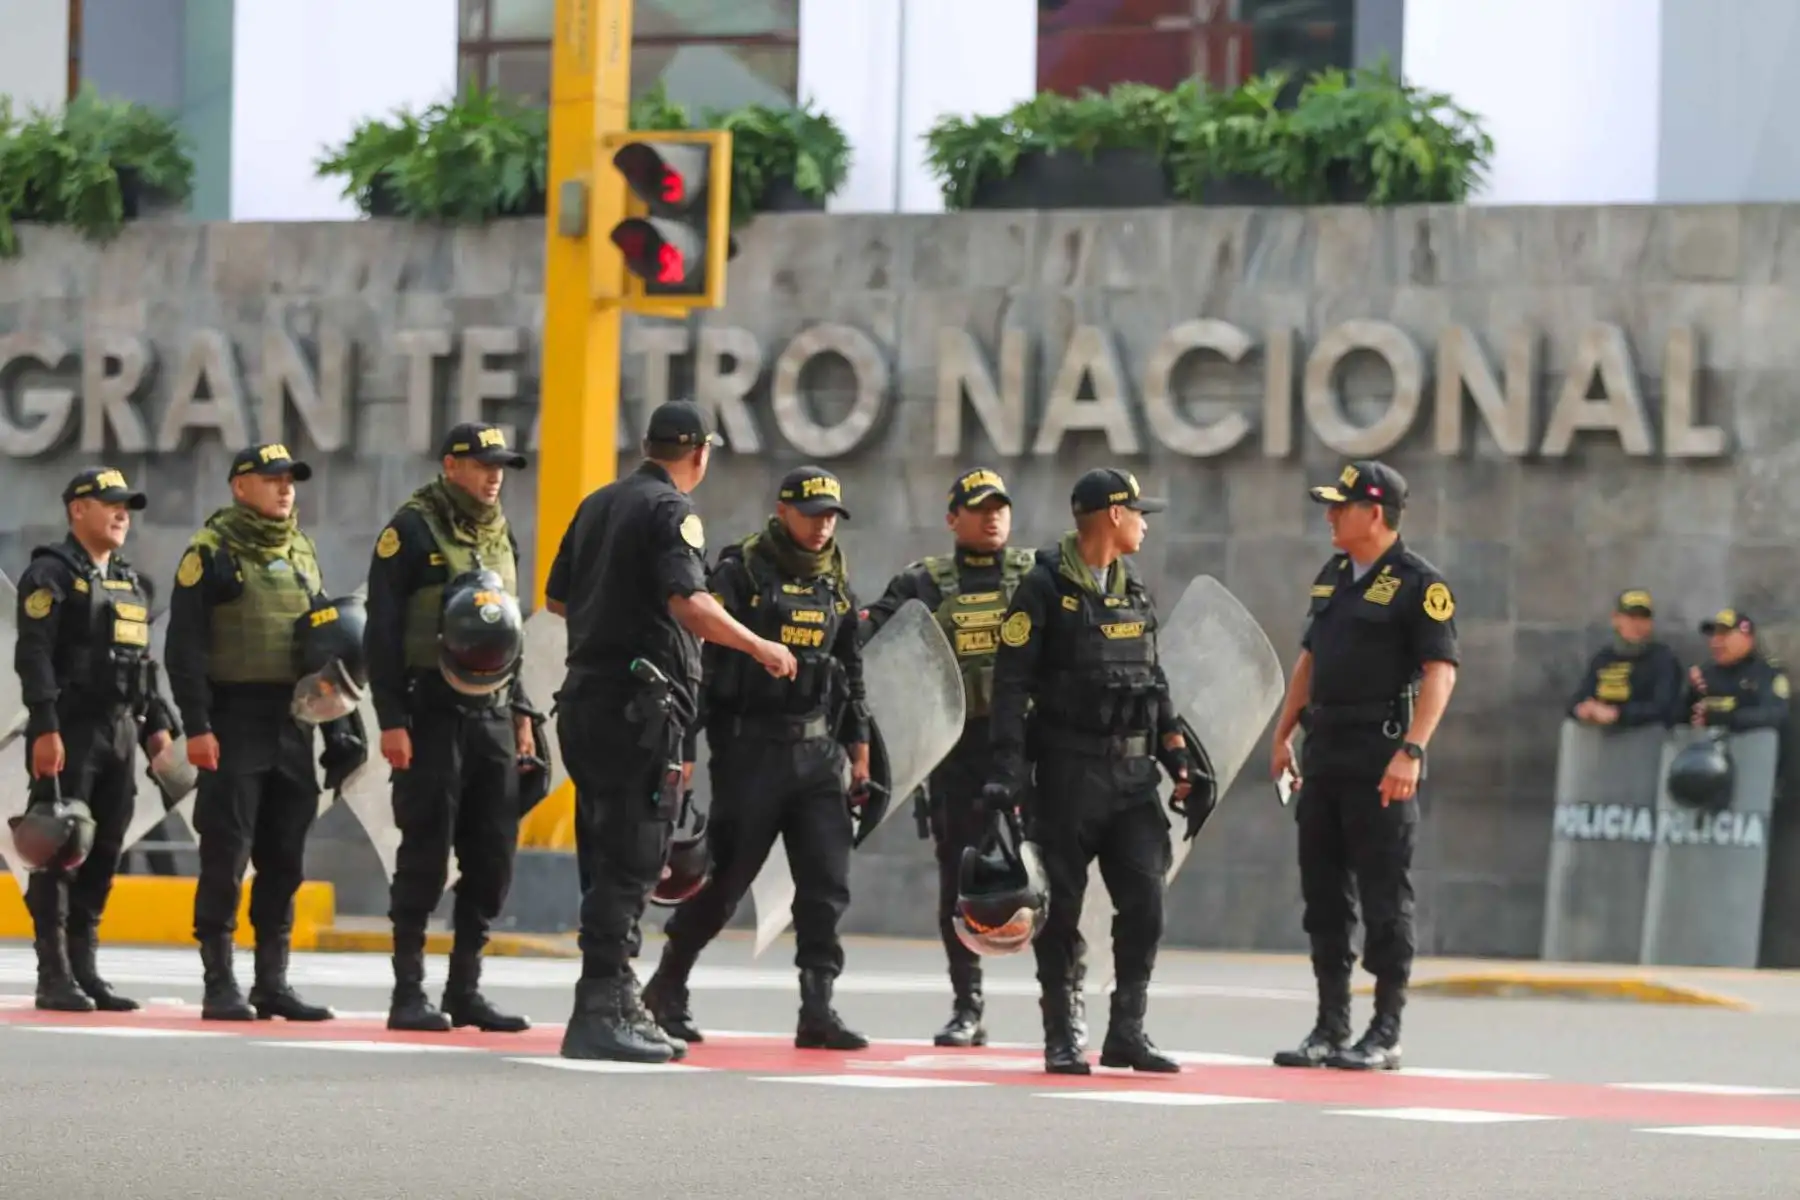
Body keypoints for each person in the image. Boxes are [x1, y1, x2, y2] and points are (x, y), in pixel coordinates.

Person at [546, 400, 797, 1064]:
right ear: (700, 453)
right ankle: (600, 1007)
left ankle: (618, 996)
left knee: (605, 853)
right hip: (637, 709)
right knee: (631, 857)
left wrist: (614, 620)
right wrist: (759, 647)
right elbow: (689, 602)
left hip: (584, 699)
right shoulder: (671, 512)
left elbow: (557, 598)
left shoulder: (599, 503)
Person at [641, 465, 873, 1054]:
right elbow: (703, 663)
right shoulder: (740, 571)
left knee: (826, 884)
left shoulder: (837, 580)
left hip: (819, 755)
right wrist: (685, 748)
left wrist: (860, 753)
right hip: (751, 752)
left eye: (830, 517)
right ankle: (667, 985)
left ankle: (817, 1009)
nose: (822, 527)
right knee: (723, 883)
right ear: (782, 511)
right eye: (812, 513)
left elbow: (852, 672)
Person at [984, 467, 1197, 1077]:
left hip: (1133, 778)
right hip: (1068, 773)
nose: (1144, 525)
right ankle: (1062, 1034)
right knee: (1064, 910)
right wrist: (1005, 772)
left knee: (1146, 903)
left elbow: (1154, 682)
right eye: (1138, 514)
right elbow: (1010, 687)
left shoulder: (1135, 591)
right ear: (1112, 516)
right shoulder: (1044, 588)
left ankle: (1127, 1031)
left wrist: (1177, 755)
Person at [1267, 459, 1459, 1073]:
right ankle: (1329, 1026)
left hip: (1382, 759)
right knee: (1323, 898)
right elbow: (1309, 658)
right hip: (1325, 755)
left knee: (1384, 899)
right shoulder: (1333, 576)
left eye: (1340, 506)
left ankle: (1385, 1029)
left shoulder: (1418, 584)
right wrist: (1283, 732)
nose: (1329, 515)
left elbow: (1441, 672)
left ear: (1374, 513)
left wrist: (1413, 749)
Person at [166, 443, 365, 1022]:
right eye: (272, 479)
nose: (285, 489)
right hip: (233, 720)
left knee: (285, 858)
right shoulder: (210, 554)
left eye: (291, 480)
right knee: (226, 854)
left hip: (294, 721)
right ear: (239, 486)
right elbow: (184, 650)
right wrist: (197, 726)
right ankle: (219, 980)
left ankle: (272, 982)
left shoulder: (301, 550)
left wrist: (342, 727)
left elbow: (328, 649)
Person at [364, 422, 540, 1034]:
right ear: (450, 466)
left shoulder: (501, 535)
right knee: (425, 854)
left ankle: (465, 989)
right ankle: (408, 992)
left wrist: (520, 713)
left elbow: (509, 634)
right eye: (483, 464)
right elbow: (381, 631)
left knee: (492, 855)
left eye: (502, 466)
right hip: (428, 712)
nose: (495, 476)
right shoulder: (410, 530)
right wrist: (391, 720)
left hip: (490, 715)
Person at [858, 466, 1034, 1048]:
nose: (993, 516)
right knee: (957, 881)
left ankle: (1066, 1003)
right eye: (980, 507)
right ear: (952, 518)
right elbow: (872, 634)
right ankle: (968, 1006)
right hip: (956, 755)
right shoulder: (923, 583)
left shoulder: (1036, 575)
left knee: (1055, 877)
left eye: (1000, 506)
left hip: (1029, 752)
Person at [12, 467, 179, 1012]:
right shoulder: (50, 574)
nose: (121, 514)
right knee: (59, 844)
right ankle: (53, 974)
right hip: (72, 728)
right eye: (110, 504)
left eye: (126, 506)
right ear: (76, 509)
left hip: (121, 731)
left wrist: (158, 726)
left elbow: (141, 663)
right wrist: (45, 727)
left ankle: (86, 969)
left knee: (104, 850)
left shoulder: (128, 581)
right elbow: (34, 655)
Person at [1568, 589, 1682, 729]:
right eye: (1631, 617)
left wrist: (1617, 714)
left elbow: (1663, 706)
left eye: (1644, 618)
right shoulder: (1603, 658)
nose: (1637, 624)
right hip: (1598, 743)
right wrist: (1582, 709)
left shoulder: (1663, 659)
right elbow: (1579, 697)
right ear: (1616, 619)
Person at [1685, 609, 1789, 732]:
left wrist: (1726, 719)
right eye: (1713, 634)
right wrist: (1690, 694)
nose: (1715, 641)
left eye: (1723, 633)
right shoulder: (1706, 674)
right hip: (1708, 748)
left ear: (1747, 637)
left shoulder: (1766, 673)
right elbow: (1678, 719)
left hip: (1750, 747)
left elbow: (1776, 714)